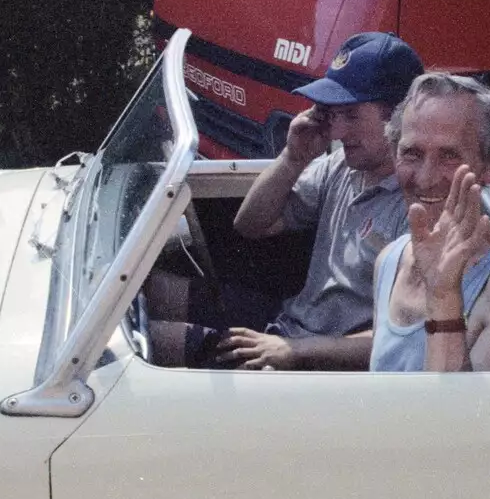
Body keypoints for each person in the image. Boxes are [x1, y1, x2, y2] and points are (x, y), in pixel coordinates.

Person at [148, 31, 424, 369]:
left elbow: (398, 338)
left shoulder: (417, 207)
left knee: (156, 340)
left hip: (319, 360)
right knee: (156, 290)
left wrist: (295, 351)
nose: (336, 132)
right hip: (290, 323)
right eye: (333, 115)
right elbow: (249, 224)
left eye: (351, 116)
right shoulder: (342, 166)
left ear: (399, 118)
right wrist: (292, 159)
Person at [370, 73, 490, 372]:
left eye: (449, 157)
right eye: (412, 154)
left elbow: (459, 415)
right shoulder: (389, 260)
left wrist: (444, 296)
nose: (426, 178)